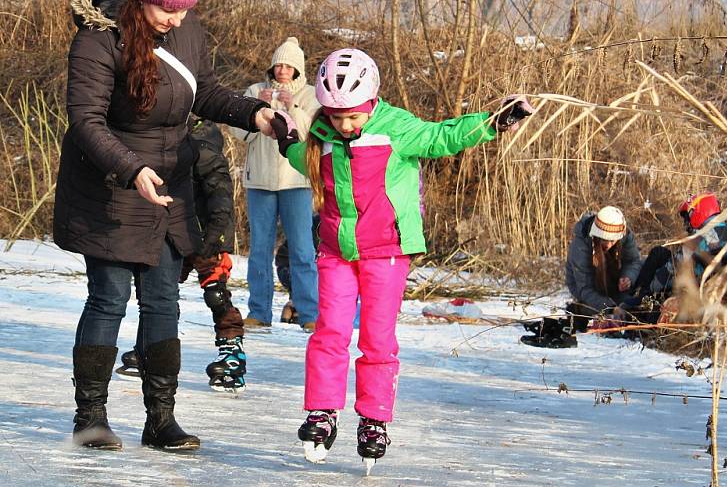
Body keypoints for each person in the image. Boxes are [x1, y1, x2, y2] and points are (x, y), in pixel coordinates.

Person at [53, 0, 273, 451]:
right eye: (165, 10)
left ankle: (161, 418)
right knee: (108, 298)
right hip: (109, 184)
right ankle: (91, 417)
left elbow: (207, 93)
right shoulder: (98, 38)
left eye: (182, 10)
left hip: (170, 187)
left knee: (163, 303)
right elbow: (85, 121)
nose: (175, 19)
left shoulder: (188, 31)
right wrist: (131, 169)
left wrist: (256, 114)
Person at [264, 48, 532, 465]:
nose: (346, 125)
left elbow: (443, 136)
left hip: (386, 251)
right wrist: (286, 142)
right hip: (336, 251)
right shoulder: (323, 135)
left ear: (371, 102)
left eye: (353, 116)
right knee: (328, 332)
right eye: (337, 118)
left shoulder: (396, 129)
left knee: (377, 338)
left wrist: (493, 122)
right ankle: (322, 410)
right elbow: (305, 159)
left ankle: (373, 418)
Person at [116, 117, 247, 392]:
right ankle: (151, 347)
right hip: (169, 226)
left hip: (203, 229)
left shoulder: (201, 134)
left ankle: (232, 355)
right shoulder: (155, 131)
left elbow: (219, 184)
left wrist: (218, 229)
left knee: (216, 292)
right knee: (158, 292)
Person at [230, 37, 320, 332]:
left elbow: (310, 134)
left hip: (296, 181)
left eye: (289, 65)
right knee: (259, 249)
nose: (282, 70)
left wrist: (290, 105)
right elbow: (237, 130)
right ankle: (258, 311)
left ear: (298, 69)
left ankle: (309, 314)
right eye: (279, 64)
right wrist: (262, 109)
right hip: (260, 182)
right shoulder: (255, 92)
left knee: (303, 250)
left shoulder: (309, 95)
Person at [564, 205, 643, 328]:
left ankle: (615, 305)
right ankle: (581, 310)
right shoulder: (580, 245)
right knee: (612, 309)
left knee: (632, 306)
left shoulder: (625, 234)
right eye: (605, 239)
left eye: (613, 240)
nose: (609, 244)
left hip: (613, 281)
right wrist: (611, 308)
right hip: (584, 286)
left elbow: (633, 261)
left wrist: (628, 277)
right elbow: (584, 289)